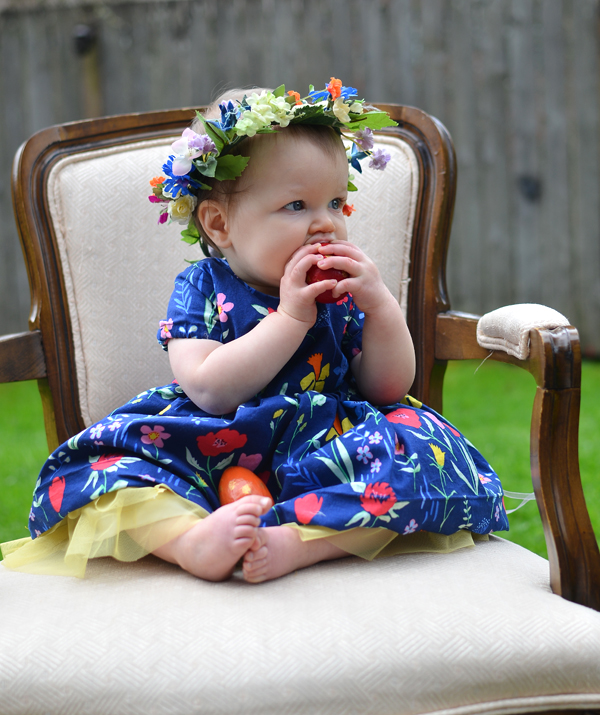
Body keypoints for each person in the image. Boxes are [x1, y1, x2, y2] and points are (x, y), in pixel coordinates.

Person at [1, 79, 508, 583]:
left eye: (336, 203)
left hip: (329, 445)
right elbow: (208, 389)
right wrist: (290, 320)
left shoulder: (342, 292)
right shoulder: (203, 285)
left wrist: (381, 307)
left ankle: (301, 542)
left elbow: (388, 387)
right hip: (212, 443)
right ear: (219, 225)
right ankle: (190, 540)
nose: (326, 225)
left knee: (417, 456)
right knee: (108, 470)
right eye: (297, 206)